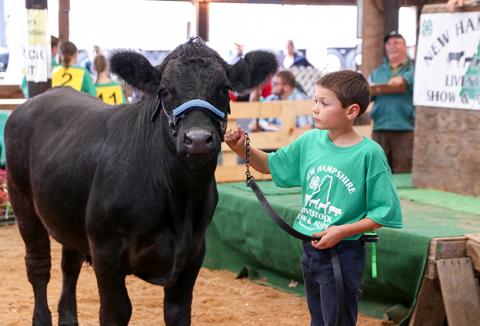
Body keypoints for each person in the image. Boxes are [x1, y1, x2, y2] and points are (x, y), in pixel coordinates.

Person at [225, 70, 403, 326]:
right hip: (310, 249)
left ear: (351, 111)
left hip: (343, 253)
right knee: (318, 319)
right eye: (315, 101)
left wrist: (341, 231)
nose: (315, 109)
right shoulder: (310, 141)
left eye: (324, 103)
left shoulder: (369, 154)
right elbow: (270, 165)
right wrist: (242, 147)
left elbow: (383, 212)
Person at [369, 32, 415, 173]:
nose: (392, 46)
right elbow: (368, 96)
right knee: (379, 171)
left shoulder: (414, 69)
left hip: (404, 129)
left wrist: (404, 79)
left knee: (403, 172)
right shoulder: (377, 72)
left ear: (405, 46)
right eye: (389, 43)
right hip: (380, 128)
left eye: (397, 42)